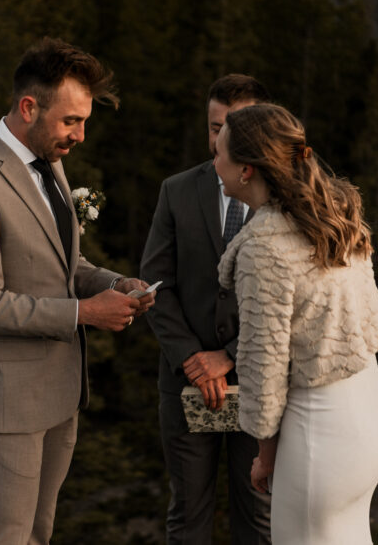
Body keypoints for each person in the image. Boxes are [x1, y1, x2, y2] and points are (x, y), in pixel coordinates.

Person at [0, 37, 155, 545]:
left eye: (84, 122)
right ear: (28, 107)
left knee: (39, 536)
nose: (79, 136)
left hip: (61, 392)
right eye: (70, 121)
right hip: (9, 401)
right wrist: (84, 313)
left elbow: (64, 263)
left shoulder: (49, 160)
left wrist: (115, 284)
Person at [213, 103, 378, 544]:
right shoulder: (332, 216)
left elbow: (263, 362)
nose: (213, 161)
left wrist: (264, 453)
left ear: (247, 171)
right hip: (369, 415)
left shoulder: (262, 249)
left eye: (220, 152)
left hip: (320, 433)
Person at [140, 74, 274, 544]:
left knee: (258, 517)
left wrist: (230, 355)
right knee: (187, 519)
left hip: (260, 382)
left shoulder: (283, 200)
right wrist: (195, 362)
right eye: (213, 127)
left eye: (231, 129)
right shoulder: (177, 191)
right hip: (185, 382)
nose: (220, 140)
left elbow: (288, 301)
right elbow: (156, 283)